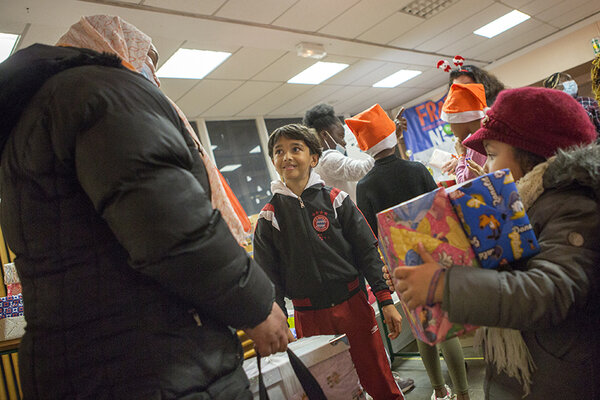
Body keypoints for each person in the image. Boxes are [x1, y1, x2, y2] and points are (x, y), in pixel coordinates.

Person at [0, 15, 291, 399]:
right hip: (157, 364)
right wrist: (254, 305)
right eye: (147, 57)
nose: (149, 72)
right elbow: (173, 228)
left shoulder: (36, 118)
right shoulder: (102, 93)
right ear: (112, 46)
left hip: (93, 366)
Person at [392, 87, 599, 399]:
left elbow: (547, 292)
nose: (486, 167)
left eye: (491, 154)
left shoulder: (574, 207)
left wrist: (444, 285)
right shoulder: (523, 206)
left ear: (532, 153)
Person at [253, 124, 405, 400]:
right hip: (308, 319)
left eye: (295, 149)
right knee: (331, 389)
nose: (286, 156)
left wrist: (385, 300)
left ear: (313, 159)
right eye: (279, 152)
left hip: (354, 306)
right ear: (274, 162)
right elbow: (267, 279)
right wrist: (278, 324)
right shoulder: (268, 217)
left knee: (379, 378)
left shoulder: (337, 200)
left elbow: (367, 252)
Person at [350, 104, 470, 400]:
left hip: (400, 266)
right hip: (434, 256)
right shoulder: (417, 170)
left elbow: (370, 236)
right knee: (446, 326)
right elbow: (441, 208)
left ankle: (439, 393)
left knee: (423, 330)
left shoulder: (365, 186)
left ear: (367, 148)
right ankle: (464, 394)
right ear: (393, 137)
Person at [303, 103, 374, 202]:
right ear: (324, 134)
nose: (344, 142)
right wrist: (385, 141)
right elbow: (364, 170)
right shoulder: (328, 159)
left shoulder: (316, 161)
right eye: (340, 136)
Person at [439, 83, 488, 182]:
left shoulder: (476, 143)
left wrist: (461, 156)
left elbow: (465, 183)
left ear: (461, 120)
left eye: (450, 123)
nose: (451, 129)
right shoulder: (487, 132)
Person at [543, 71, 600, 136]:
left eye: (570, 79)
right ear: (555, 89)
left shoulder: (589, 101)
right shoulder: (552, 112)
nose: (571, 82)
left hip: (593, 143)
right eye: (566, 80)